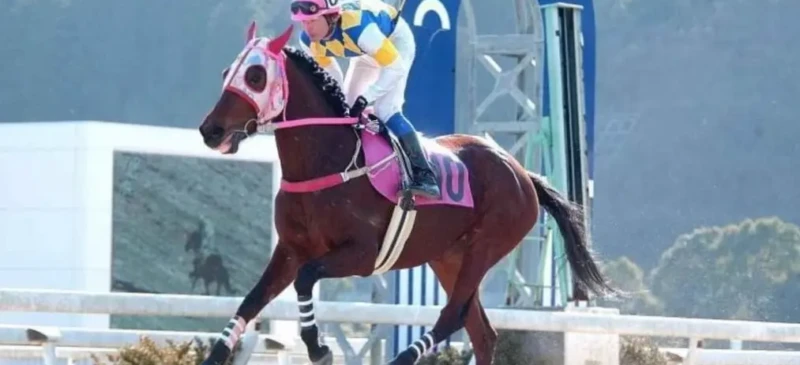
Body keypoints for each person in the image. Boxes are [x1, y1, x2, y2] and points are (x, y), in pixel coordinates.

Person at [290, 0, 441, 199]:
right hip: (365, 52)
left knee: (386, 110)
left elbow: (395, 67)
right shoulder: (308, 41)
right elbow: (331, 74)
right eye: (303, 22)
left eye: (312, 21)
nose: (307, 27)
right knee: (346, 112)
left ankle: (425, 175)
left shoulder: (358, 28)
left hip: (394, 44)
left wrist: (367, 97)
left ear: (330, 16)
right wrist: (343, 102)